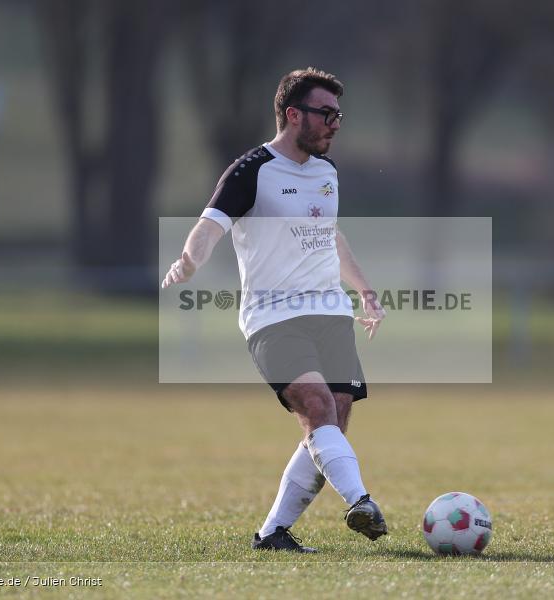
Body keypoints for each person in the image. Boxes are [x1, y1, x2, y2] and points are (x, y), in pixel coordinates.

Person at [161, 67, 387, 553]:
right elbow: (209, 226)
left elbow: (331, 235)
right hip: (273, 317)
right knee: (319, 409)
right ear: (293, 114)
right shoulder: (252, 170)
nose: (334, 124)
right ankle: (361, 501)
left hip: (330, 312)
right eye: (326, 114)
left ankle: (272, 534)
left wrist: (365, 290)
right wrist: (188, 261)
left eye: (338, 116)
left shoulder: (327, 173)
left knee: (334, 421)